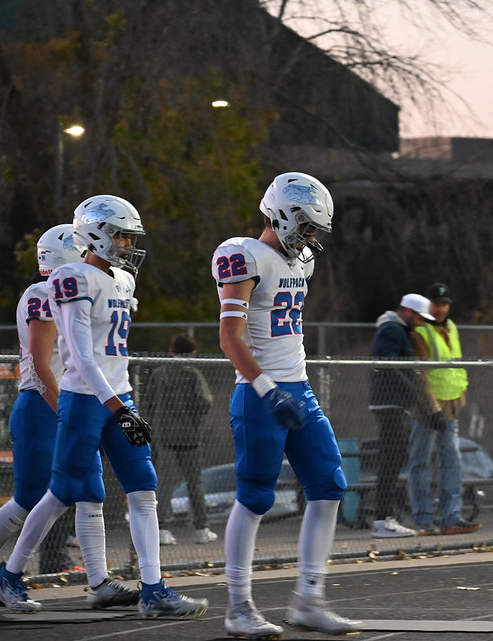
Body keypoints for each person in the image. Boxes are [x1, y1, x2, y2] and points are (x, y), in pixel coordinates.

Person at [0, 196, 208, 618]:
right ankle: (10, 574)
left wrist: (124, 402)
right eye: (121, 235)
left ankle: (154, 588)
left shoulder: (124, 281)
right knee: (61, 493)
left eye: (129, 237)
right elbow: (78, 353)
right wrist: (117, 406)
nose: (127, 244)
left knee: (144, 490)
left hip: (117, 396)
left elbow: (113, 353)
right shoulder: (71, 277)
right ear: (95, 234)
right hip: (84, 398)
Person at [213, 172, 360, 638]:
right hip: (260, 393)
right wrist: (266, 389)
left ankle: (308, 599)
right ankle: (239, 607)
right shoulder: (243, 255)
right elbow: (229, 336)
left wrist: (286, 389)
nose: (311, 237)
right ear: (283, 215)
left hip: (298, 386)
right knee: (255, 495)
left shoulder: (302, 262)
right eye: (308, 226)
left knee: (330, 484)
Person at [0, 224, 85, 606]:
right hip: (40, 402)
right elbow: (39, 359)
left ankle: (95, 580)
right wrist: (62, 408)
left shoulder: (73, 293)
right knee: (30, 496)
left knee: (68, 493)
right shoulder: (41, 292)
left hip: (60, 400)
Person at [408, 283, 478, 535]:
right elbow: (421, 375)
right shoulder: (421, 331)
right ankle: (424, 517)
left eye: (445, 304)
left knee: (452, 462)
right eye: (437, 304)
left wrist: (460, 395)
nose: (441, 309)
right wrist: (432, 407)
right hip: (429, 408)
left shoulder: (451, 327)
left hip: (451, 404)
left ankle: (452, 516)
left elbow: (455, 364)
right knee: (421, 462)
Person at [368, 292, 435, 538]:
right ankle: (382, 519)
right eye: (419, 317)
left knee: (393, 461)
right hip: (390, 404)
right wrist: (412, 385)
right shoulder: (393, 330)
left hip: (392, 403)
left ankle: (385, 517)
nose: (422, 322)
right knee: (391, 461)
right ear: (408, 311)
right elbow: (388, 363)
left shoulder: (395, 330)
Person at [140, 333, 216, 545]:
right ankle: (201, 528)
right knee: (195, 484)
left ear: (171, 350)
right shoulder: (193, 374)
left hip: (164, 435)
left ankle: (163, 528)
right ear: (192, 352)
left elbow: (147, 404)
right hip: (190, 436)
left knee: (163, 484)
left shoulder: (159, 373)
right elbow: (204, 402)